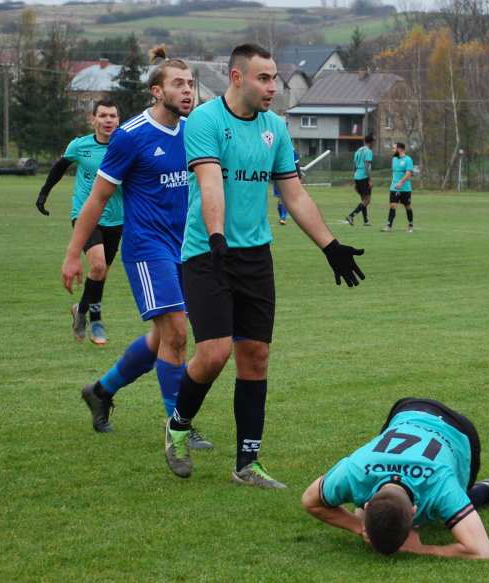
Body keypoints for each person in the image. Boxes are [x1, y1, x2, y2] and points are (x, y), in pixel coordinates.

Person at [164, 43, 365, 488]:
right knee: (214, 352)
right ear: (237, 78)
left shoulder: (275, 128)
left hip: (255, 256)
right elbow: (210, 182)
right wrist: (217, 236)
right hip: (205, 252)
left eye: (275, 78)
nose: (273, 87)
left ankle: (246, 464)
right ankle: (178, 425)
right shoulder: (205, 120)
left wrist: (330, 245)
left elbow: (293, 194)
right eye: (264, 78)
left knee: (255, 357)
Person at [61, 47, 211, 449]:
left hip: (187, 247)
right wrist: (74, 254)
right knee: (176, 334)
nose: (188, 91)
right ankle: (177, 425)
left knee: (163, 337)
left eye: (191, 84)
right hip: (147, 248)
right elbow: (96, 198)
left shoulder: (195, 130)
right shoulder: (131, 135)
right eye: (178, 84)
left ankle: (101, 391)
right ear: (156, 92)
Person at [301, 397, 489, 559]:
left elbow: (482, 551)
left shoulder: (439, 482)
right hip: (406, 411)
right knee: (446, 503)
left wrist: (420, 549)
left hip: (459, 431)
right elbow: (309, 500)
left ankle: (482, 489)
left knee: (447, 504)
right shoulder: (355, 469)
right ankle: (485, 490)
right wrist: (358, 526)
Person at [37, 99, 123, 345]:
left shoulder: (125, 146)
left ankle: (80, 309)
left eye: (113, 116)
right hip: (85, 215)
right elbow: (58, 168)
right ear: (92, 119)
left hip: (117, 218)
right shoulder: (80, 145)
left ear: (119, 120)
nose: (108, 120)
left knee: (101, 272)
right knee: (97, 266)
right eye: (103, 115)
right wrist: (43, 194)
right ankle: (94, 318)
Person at [382, 142, 414, 233]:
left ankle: (410, 224)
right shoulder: (394, 159)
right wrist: (395, 183)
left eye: (394, 148)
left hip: (405, 188)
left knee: (407, 206)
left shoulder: (408, 159)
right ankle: (389, 225)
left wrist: (401, 182)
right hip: (394, 187)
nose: (393, 150)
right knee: (393, 205)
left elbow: (409, 173)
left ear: (400, 149)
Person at [347, 135, 374, 226]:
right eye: (373, 142)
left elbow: (354, 167)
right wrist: (370, 179)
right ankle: (351, 215)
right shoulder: (368, 151)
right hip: (363, 177)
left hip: (357, 176)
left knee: (363, 199)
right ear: (370, 142)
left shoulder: (358, 151)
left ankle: (366, 221)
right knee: (367, 200)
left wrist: (355, 181)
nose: (373, 143)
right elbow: (367, 167)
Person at [273, 151, 301, 225]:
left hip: (287, 178)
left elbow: (296, 164)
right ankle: (282, 217)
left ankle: (283, 217)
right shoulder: (277, 151)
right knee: (281, 198)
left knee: (283, 198)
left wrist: (299, 176)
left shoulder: (293, 152)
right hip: (278, 177)